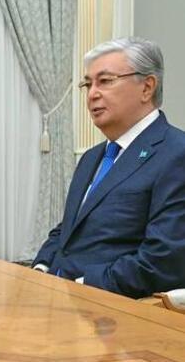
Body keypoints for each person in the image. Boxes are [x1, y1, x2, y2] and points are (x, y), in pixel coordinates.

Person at [33, 37, 185, 299]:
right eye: (87, 84)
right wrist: (41, 267)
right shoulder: (92, 158)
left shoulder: (176, 153)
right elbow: (69, 229)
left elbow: (164, 258)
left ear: (147, 87)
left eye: (105, 81)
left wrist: (82, 286)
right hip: (55, 297)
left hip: (110, 308)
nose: (92, 94)